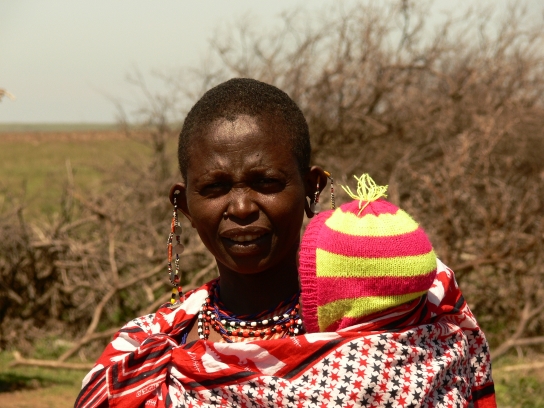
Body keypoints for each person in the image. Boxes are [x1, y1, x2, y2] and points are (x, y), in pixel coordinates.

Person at [75, 79, 496, 408]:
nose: (241, 207)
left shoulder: (400, 315)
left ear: (312, 189)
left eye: (267, 182)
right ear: (184, 205)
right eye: (215, 187)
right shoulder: (143, 360)